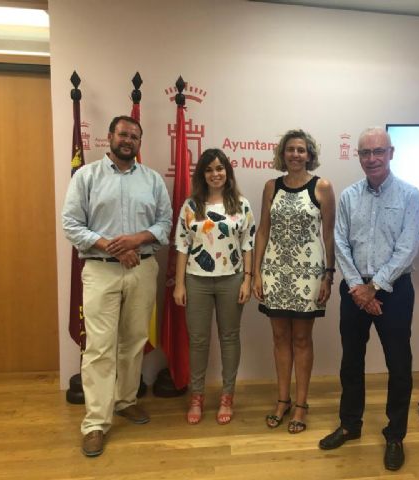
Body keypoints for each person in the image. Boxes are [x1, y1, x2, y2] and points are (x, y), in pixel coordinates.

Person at [61, 115, 172, 457]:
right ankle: (96, 423)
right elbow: (71, 224)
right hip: (100, 270)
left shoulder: (152, 180)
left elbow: (165, 224)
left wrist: (136, 240)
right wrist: (112, 246)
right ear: (110, 137)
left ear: (139, 142)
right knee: (99, 348)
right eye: (123, 134)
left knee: (134, 340)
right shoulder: (86, 176)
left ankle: (125, 401)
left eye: (134, 136)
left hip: (142, 268)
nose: (128, 140)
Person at [318, 127, 419, 471]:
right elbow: (340, 243)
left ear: (391, 153)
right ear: (359, 156)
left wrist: (374, 288)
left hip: (394, 291)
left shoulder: (409, 195)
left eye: (378, 151)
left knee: (399, 366)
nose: (372, 158)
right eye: (365, 152)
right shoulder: (349, 196)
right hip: (354, 290)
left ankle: (395, 435)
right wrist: (358, 289)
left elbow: (407, 249)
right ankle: (350, 424)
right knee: (351, 362)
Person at [253, 129, 336, 434]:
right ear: (283, 154)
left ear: (309, 154)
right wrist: (257, 272)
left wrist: (329, 274)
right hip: (275, 272)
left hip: (308, 275)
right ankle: (282, 400)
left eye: (301, 150)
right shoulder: (271, 186)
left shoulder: (322, 187)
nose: (296, 155)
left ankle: (301, 404)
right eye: (291, 149)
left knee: (302, 339)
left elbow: (328, 235)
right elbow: (263, 230)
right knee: (279, 338)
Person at [173, 148, 255, 426]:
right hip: (196, 280)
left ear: (227, 172)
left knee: (229, 338)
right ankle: (196, 396)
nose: (215, 174)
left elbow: (248, 244)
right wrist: (179, 284)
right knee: (198, 340)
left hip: (231, 279)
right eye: (209, 169)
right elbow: (182, 245)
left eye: (220, 168)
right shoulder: (191, 206)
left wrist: (247, 279)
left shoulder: (241, 205)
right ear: (202, 174)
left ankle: (227, 396)